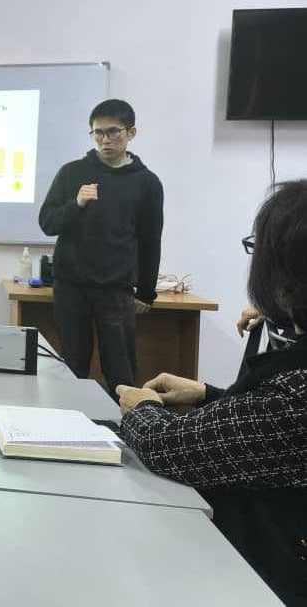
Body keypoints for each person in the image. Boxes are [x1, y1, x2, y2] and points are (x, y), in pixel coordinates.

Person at [115, 180, 307, 606]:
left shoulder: (296, 393)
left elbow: (169, 447)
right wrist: (207, 394)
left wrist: (142, 407)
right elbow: (265, 430)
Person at [38, 99, 163, 394]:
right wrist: (76, 204)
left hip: (116, 290)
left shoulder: (147, 182)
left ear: (131, 132)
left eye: (113, 132)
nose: (105, 140)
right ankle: (69, 421)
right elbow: (47, 223)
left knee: (121, 369)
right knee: (72, 367)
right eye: (98, 133)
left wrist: (147, 290)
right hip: (71, 286)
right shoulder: (72, 173)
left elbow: (151, 239)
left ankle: (125, 421)